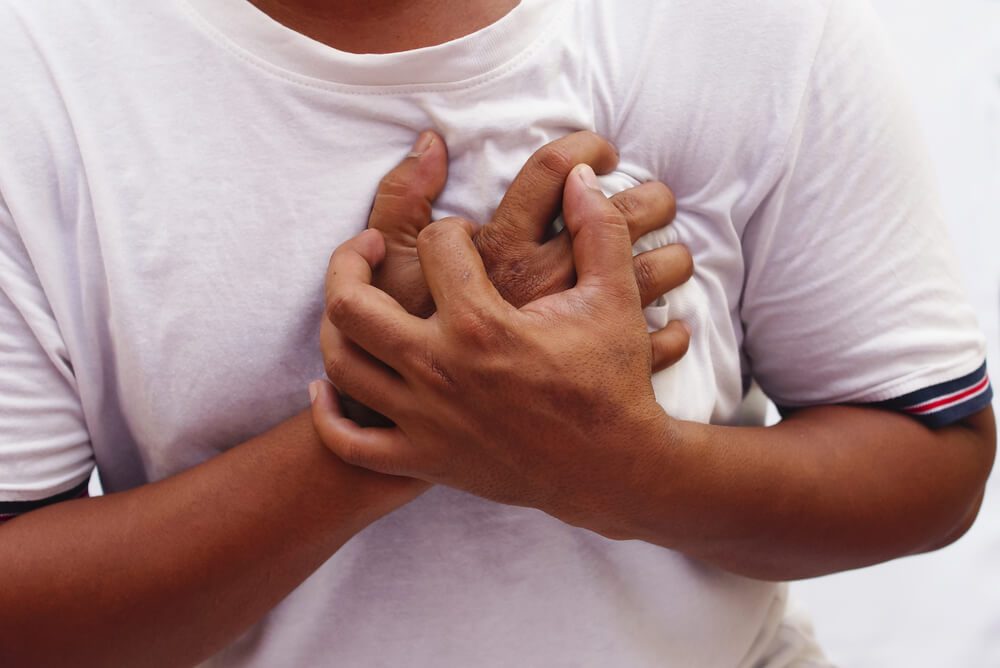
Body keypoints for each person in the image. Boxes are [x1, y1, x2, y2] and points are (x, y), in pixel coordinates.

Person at [0, 0, 993, 666]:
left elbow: (930, 457)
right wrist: (420, 410)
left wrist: (619, 463)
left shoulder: (751, 26)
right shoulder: (37, 72)